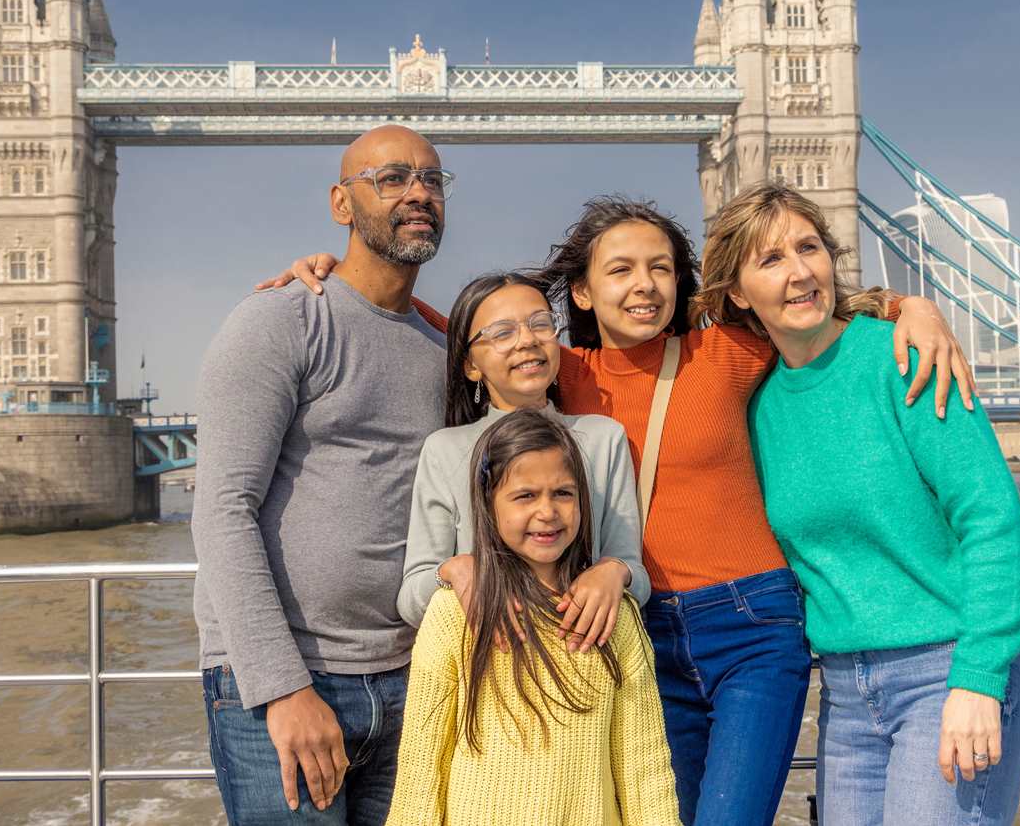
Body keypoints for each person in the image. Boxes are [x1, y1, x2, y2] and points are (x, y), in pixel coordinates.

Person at [265, 198, 973, 826]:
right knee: (657, 805)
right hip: (637, 633)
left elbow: (806, 311)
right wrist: (340, 277)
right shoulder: (564, 371)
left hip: (751, 625)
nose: (645, 285)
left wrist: (909, 306)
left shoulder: (727, 349)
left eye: (661, 268)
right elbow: (480, 331)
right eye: (622, 269)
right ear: (582, 290)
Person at [695, 184, 1020, 826]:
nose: (800, 272)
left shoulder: (903, 357)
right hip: (847, 694)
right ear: (737, 291)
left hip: (948, 669)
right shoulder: (755, 403)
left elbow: (992, 521)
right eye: (770, 260)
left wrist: (980, 677)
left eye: (810, 247)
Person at [191, 124, 456, 825]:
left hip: (409, 684)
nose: (417, 192)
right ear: (342, 204)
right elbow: (220, 509)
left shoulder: (445, 350)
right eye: (392, 178)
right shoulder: (279, 321)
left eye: (431, 179)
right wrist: (283, 689)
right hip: (289, 685)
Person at [385, 409, 682, 826]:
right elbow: (421, 769)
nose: (547, 511)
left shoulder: (614, 616)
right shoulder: (453, 612)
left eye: (563, 493)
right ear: (488, 505)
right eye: (525, 495)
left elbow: (645, 770)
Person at [400, 272, 650, 648]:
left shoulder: (602, 437)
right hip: (488, 672)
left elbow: (634, 571)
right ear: (470, 365)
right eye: (502, 332)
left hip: (585, 659)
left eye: (540, 324)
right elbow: (411, 596)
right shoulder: (446, 450)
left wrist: (615, 571)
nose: (528, 340)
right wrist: (454, 570)